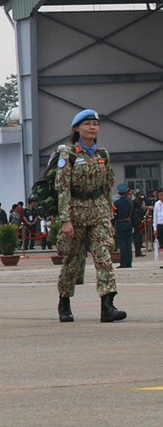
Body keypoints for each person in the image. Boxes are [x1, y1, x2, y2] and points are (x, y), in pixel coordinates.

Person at [55, 109, 126, 323]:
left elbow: (106, 187)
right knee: (72, 261)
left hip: (99, 212)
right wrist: (65, 220)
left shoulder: (102, 155)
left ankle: (107, 305)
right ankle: (64, 302)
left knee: (104, 257)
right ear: (77, 128)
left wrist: (108, 218)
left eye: (95, 123)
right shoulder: (69, 154)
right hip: (75, 213)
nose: (92, 127)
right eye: (87, 124)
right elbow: (63, 188)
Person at [112, 184, 134, 269]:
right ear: (126, 192)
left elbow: (114, 216)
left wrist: (113, 226)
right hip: (128, 223)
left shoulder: (115, 203)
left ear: (118, 193)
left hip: (119, 223)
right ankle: (129, 262)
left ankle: (123, 263)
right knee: (128, 244)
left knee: (122, 244)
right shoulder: (130, 202)